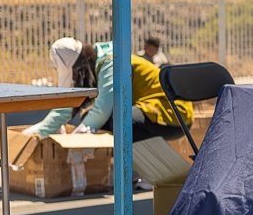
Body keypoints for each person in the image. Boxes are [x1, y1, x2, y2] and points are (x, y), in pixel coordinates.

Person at [23, 37, 190, 141]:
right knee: (93, 118)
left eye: (74, 75)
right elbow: (67, 108)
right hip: (156, 113)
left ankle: (143, 172)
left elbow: (103, 108)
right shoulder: (98, 61)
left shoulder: (110, 62)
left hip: (172, 113)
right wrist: (36, 132)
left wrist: (75, 141)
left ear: (80, 66)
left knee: (117, 120)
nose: (75, 79)